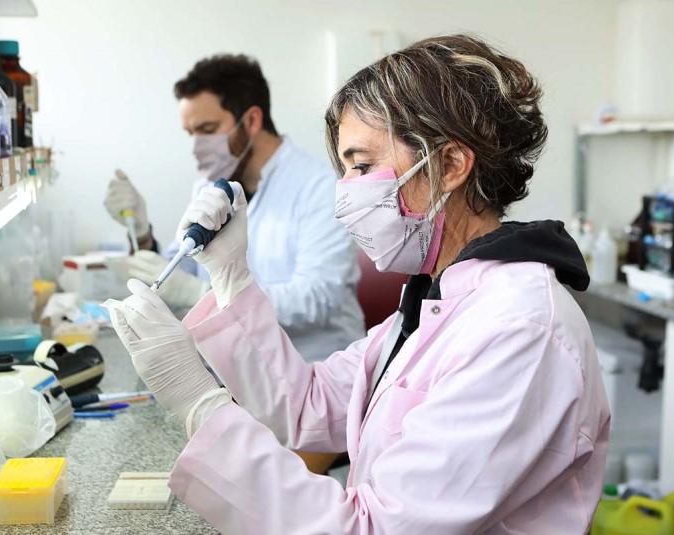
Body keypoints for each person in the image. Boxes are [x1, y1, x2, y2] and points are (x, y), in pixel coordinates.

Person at [106, 35, 610, 533]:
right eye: (346, 171)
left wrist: (200, 404)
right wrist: (229, 275)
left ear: (451, 165)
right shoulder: (439, 298)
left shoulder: (518, 331)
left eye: (363, 166)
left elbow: (371, 530)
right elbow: (307, 404)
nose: (347, 194)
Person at [103, 54, 365, 364]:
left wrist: (204, 295)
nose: (196, 146)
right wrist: (142, 234)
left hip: (312, 372)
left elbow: (317, 299)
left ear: (252, 120)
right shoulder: (209, 186)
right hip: (235, 370)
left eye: (208, 129)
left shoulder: (319, 185)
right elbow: (181, 269)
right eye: (190, 133)